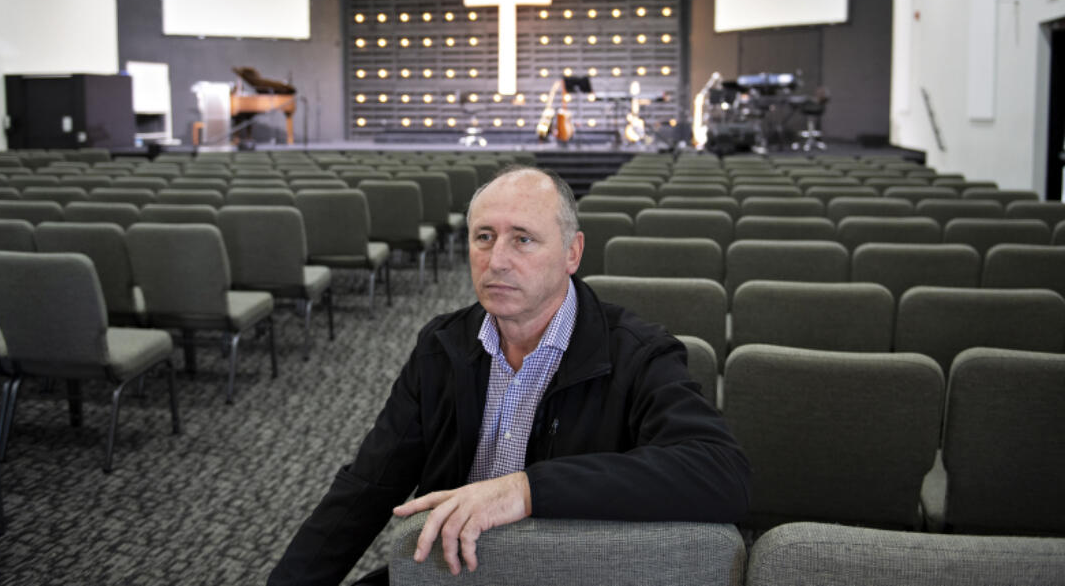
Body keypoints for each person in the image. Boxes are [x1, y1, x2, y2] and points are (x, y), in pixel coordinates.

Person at [268, 166, 750, 585]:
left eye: (523, 239)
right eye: (484, 237)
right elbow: (366, 489)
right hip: (456, 569)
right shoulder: (443, 346)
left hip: (568, 574)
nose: (497, 261)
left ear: (572, 253)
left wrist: (527, 489)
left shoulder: (636, 353)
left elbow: (720, 474)